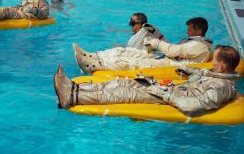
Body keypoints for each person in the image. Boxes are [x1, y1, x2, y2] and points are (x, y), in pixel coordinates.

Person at [54, 45, 241, 117]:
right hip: (169, 89)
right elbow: (199, 80)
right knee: (123, 83)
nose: (211, 62)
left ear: (222, 66)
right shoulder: (215, 75)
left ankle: (70, 96)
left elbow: (194, 105)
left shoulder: (222, 87)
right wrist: (190, 71)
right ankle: (76, 88)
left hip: (167, 97)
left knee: (124, 93)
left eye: (214, 60)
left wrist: (166, 94)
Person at [74, 17, 212, 73]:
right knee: (124, 51)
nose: (187, 31)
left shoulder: (200, 46)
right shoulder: (194, 42)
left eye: (190, 29)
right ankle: (91, 56)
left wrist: (154, 41)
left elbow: (173, 50)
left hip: (170, 65)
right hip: (165, 58)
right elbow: (174, 49)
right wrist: (156, 37)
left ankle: (93, 65)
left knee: (131, 62)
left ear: (198, 30)